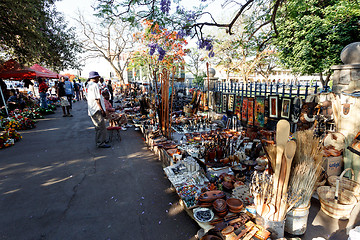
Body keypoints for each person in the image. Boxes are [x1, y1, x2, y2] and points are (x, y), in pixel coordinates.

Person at [87, 71, 110, 148]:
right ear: (94, 78)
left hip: (92, 109)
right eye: (98, 77)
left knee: (98, 127)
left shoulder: (88, 85)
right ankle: (101, 142)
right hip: (96, 109)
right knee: (101, 127)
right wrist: (102, 110)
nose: (99, 79)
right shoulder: (95, 85)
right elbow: (97, 99)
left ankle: (101, 140)